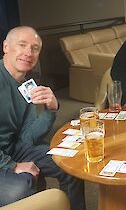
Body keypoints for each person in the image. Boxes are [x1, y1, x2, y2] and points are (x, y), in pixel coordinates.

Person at [0, 26, 86, 210]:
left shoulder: (26, 87)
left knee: (70, 164)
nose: (28, 53)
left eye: (35, 48)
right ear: (6, 47)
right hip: (4, 157)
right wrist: (12, 166)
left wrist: (50, 109)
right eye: (22, 45)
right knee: (22, 186)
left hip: (12, 148)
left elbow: (28, 137)